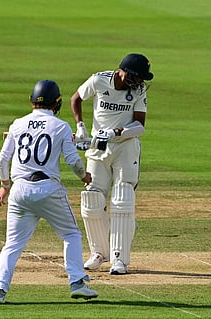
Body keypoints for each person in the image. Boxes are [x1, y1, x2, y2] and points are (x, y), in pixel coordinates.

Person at [0, 80, 99, 304]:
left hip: (19, 190)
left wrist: (4, 185)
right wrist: (85, 177)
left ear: (32, 100)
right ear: (56, 103)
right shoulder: (60, 126)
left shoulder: (18, 124)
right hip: (48, 189)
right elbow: (73, 161)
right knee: (71, 234)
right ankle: (77, 283)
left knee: (12, 244)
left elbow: (2, 159)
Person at [70, 53, 154, 275]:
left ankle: (119, 259)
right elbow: (76, 98)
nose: (139, 83)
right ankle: (99, 252)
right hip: (99, 146)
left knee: (122, 199)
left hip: (125, 147)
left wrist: (116, 131)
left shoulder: (138, 91)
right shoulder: (99, 80)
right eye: (137, 77)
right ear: (124, 72)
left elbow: (140, 126)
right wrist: (80, 126)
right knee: (92, 198)